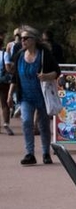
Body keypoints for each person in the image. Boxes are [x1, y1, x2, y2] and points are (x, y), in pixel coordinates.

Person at [12, 27, 58, 165]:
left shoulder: (44, 54)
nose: (23, 40)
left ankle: (45, 153)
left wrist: (46, 76)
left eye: (26, 38)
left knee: (43, 125)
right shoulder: (19, 55)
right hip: (25, 96)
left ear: (34, 40)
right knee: (26, 122)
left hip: (42, 96)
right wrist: (10, 94)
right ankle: (30, 153)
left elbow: (57, 71)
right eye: (21, 38)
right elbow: (15, 77)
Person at [0, 28, 18, 135]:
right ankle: (6, 123)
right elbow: (7, 68)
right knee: (4, 104)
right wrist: (13, 70)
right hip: (2, 81)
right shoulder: (4, 54)